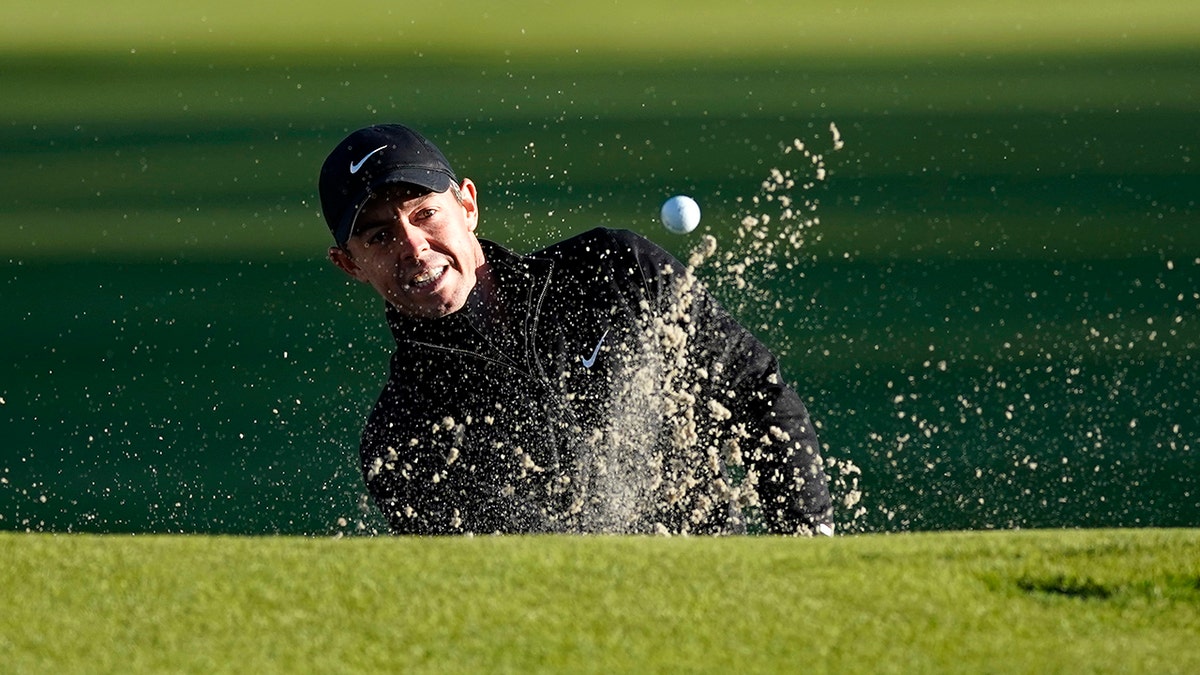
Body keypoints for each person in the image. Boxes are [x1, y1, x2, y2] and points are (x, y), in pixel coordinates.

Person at [319, 123, 833, 536]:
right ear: (350, 264)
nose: (414, 246)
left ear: (468, 205)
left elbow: (756, 394)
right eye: (380, 236)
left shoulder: (611, 268)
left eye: (426, 213)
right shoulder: (402, 437)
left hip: (718, 590)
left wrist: (806, 554)